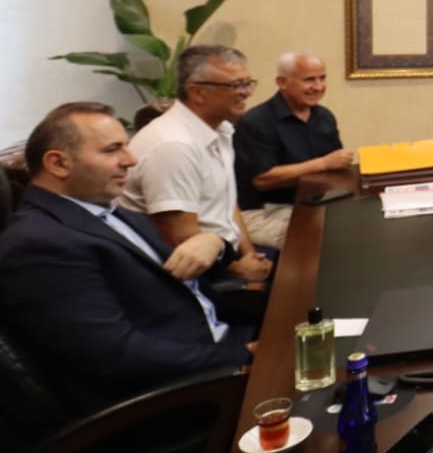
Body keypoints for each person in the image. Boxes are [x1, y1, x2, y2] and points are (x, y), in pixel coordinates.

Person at [0, 103, 254, 399]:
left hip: (220, 340)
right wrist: (244, 354)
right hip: (192, 387)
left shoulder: (108, 211)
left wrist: (215, 242)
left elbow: (184, 275)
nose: (131, 160)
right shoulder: (38, 244)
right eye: (112, 150)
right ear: (58, 164)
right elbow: (118, 356)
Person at [119, 45, 272, 282]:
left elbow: (227, 204)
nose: (248, 93)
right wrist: (238, 270)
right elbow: (179, 240)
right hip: (196, 274)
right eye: (236, 85)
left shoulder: (221, 130)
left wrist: (250, 255)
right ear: (197, 92)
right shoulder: (174, 145)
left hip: (224, 255)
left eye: (248, 83)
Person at [233, 51, 355, 249]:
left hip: (313, 203)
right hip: (263, 212)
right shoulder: (255, 122)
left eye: (322, 78)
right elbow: (263, 179)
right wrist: (323, 163)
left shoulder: (324, 116)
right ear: (282, 82)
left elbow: (335, 168)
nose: (318, 86)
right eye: (309, 80)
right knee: (325, 240)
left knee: (359, 225)